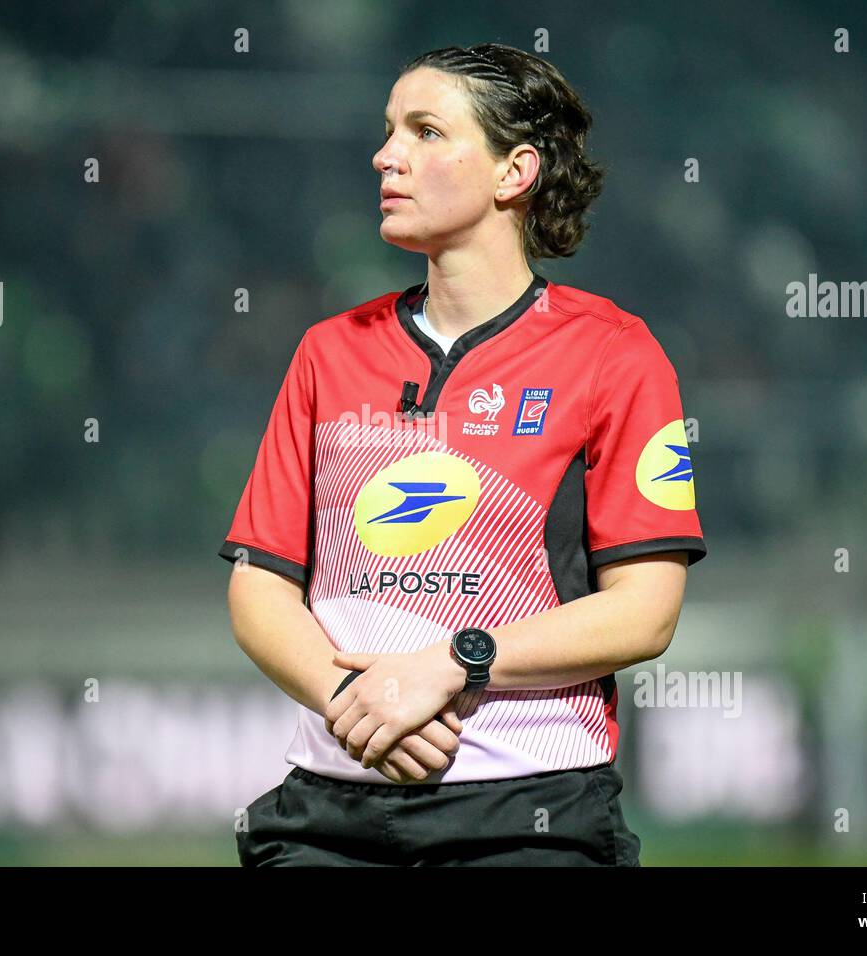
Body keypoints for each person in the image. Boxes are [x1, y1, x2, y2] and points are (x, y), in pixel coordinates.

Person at [218, 42, 706, 866]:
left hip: (532, 812)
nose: (385, 155)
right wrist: (355, 702)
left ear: (514, 172)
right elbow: (260, 586)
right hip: (327, 811)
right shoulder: (326, 353)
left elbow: (646, 610)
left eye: (426, 131)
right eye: (388, 130)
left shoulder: (615, 354)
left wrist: (452, 665)